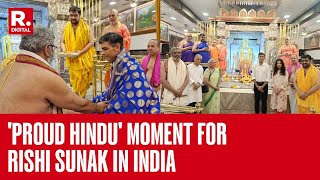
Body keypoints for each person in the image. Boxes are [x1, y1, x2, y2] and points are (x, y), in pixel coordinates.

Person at [0, 27, 107, 114]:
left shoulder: (10, 66)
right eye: (53, 47)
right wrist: (98, 108)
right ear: (47, 49)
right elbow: (80, 105)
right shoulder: (45, 76)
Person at [92, 32, 160, 114]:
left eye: (105, 49)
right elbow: (112, 90)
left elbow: (130, 99)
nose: (102, 53)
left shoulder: (131, 67)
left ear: (117, 47)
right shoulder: (118, 63)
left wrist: (105, 108)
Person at [61, 6, 95, 98]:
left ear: (79, 15)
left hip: (84, 57)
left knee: (84, 80)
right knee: (74, 79)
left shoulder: (86, 27)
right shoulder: (66, 27)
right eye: (71, 15)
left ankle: (82, 97)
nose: (73, 17)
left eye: (75, 15)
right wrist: (65, 52)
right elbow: (62, 42)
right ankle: (76, 97)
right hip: (72, 58)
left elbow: (91, 42)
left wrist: (81, 52)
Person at [102, 9, 132, 89]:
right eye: (109, 16)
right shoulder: (106, 29)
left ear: (118, 16)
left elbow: (127, 39)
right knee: (109, 77)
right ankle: (109, 92)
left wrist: (116, 47)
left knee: (121, 77)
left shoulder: (122, 27)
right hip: (110, 57)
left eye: (113, 15)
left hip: (120, 57)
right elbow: (103, 42)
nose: (111, 17)